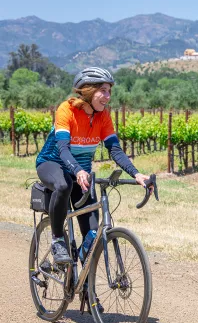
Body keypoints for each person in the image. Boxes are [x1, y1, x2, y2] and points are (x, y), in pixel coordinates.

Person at [36, 67, 151, 309]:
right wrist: (77, 170)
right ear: (88, 92)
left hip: (83, 175)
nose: (107, 97)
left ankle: (85, 282)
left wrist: (137, 173)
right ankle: (58, 239)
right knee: (63, 184)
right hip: (53, 163)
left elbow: (115, 150)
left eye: (109, 92)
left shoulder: (103, 116)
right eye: (103, 91)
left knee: (92, 234)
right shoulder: (66, 110)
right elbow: (63, 148)